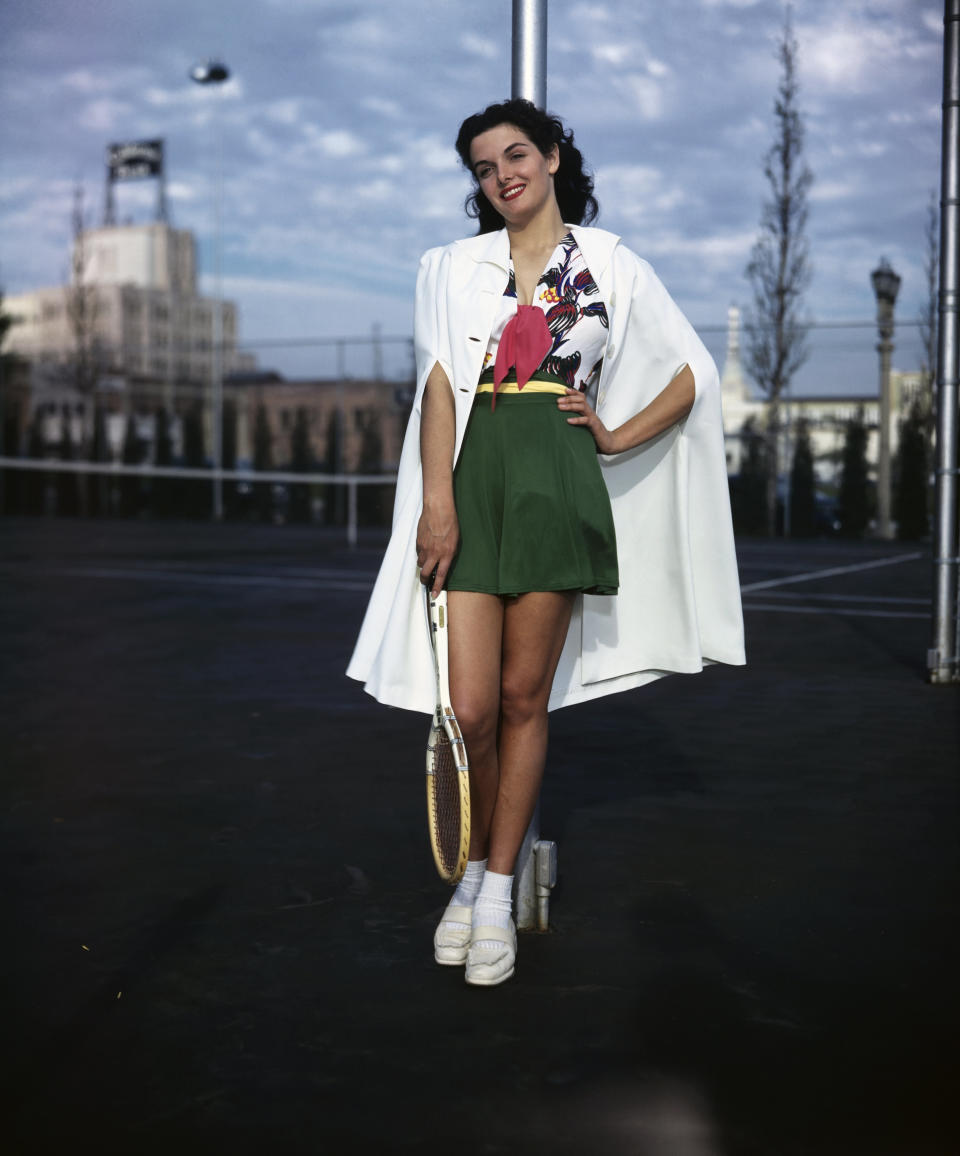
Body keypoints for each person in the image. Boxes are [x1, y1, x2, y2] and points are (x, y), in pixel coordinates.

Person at [347, 98, 745, 987]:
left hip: (559, 481)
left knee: (526, 698)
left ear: (555, 156)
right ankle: (493, 861)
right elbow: (441, 386)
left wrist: (612, 435)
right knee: (473, 712)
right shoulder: (450, 266)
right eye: (484, 169)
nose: (502, 177)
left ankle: (488, 892)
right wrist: (437, 502)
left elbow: (692, 373)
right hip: (475, 477)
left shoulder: (610, 262)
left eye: (516, 156)